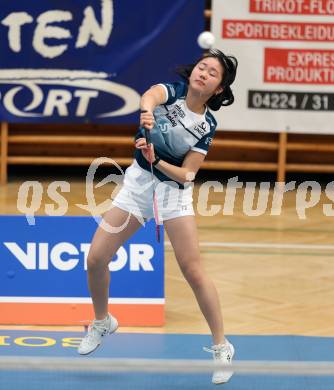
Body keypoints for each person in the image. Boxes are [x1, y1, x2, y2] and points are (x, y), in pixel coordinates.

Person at [78, 49, 238, 385]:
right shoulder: (173, 92)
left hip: (172, 196)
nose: (203, 73)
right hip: (137, 188)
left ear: (218, 89)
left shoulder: (206, 125)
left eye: (212, 74)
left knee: (193, 270)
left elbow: (187, 175)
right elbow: (151, 94)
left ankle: (222, 346)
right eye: (202, 67)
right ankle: (102, 320)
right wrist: (147, 112)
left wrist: (156, 158)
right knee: (95, 258)